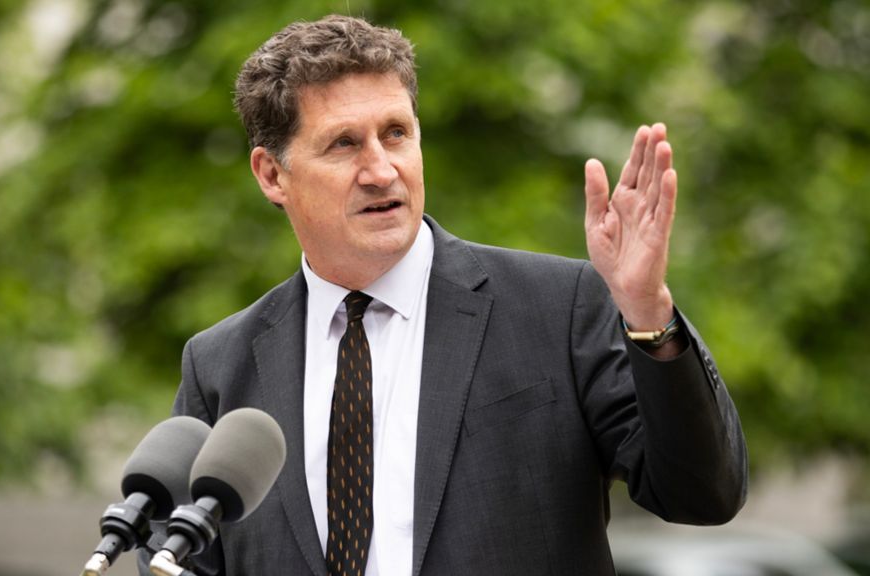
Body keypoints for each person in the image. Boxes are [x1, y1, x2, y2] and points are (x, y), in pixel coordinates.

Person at [141, 14, 747, 576]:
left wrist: (648, 311)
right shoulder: (220, 363)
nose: (382, 170)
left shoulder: (558, 307)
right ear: (272, 175)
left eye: (396, 133)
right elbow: (177, 557)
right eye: (345, 144)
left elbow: (703, 493)